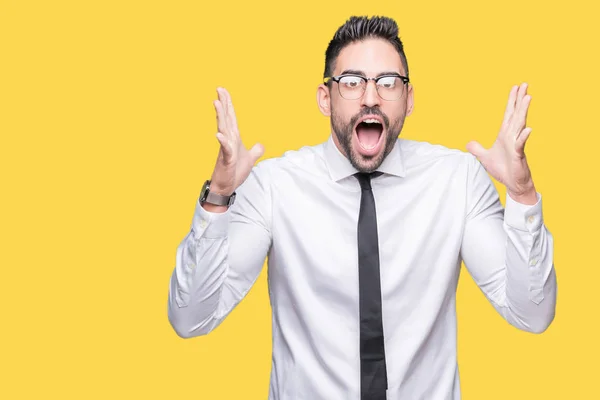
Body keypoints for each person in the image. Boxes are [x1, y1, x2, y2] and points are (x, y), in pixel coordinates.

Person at [167, 15, 557, 400]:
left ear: (409, 99)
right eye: (352, 82)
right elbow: (190, 319)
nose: (371, 97)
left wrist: (522, 195)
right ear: (325, 98)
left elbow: (532, 313)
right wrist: (218, 197)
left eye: (388, 83)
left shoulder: (458, 180)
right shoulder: (274, 186)